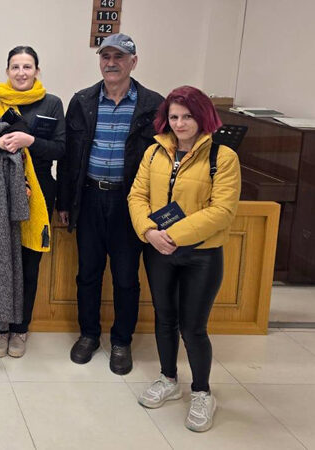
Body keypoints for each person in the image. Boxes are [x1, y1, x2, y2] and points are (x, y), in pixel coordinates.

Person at [128, 85, 240, 432]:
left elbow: (222, 211)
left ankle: (202, 392)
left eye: (187, 116)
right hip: (158, 249)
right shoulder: (154, 152)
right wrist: (149, 232)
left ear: (202, 116)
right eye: (174, 116)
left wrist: (173, 236)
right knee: (164, 319)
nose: (179, 123)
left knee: (193, 328)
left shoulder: (223, 157)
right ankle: (168, 378)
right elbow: (137, 195)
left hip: (200, 255)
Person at [56, 33, 164, 374]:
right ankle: (89, 335)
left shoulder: (153, 105)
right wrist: (64, 202)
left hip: (130, 203)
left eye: (119, 57)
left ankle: (121, 341)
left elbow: (164, 159)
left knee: (126, 277)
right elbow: (69, 157)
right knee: (87, 273)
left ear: (134, 61)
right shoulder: (82, 101)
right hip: (89, 198)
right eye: (106, 57)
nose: (111, 63)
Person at [0, 46, 66, 358]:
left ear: (37, 71)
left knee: (28, 266)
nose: (21, 73)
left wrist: (31, 142)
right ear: (7, 71)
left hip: (38, 194)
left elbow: (60, 149)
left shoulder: (52, 103)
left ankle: (20, 329)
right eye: (15, 67)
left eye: (27, 67)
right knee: (0, 261)